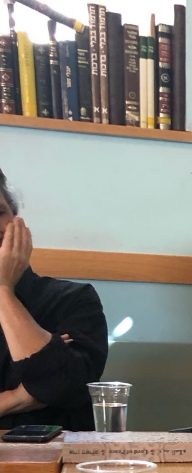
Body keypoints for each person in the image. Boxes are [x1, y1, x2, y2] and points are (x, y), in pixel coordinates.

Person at [0, 169, 108, 430]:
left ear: (16, 221)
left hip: (58, 455)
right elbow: (48, 386)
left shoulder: (74, 299)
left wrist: (3, 290)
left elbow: (59, 387)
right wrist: (17, 397)